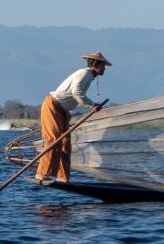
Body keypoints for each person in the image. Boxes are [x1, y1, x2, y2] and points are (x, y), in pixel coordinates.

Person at [35, 51, 112, 183]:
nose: (104, 68)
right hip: (53, 105)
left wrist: (91, 104)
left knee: (65, 144)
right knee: (53, 139)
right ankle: (42, 173)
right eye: (103, 65)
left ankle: (63, 177)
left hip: (63, 111)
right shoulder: (85, 73)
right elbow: (76, 92)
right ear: (95, 64)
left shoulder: (89, 76)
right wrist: (92, 104)